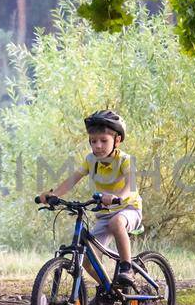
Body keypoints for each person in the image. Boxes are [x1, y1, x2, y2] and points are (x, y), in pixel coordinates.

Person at [35, 109, 141, 292]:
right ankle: (109, 290)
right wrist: (54, 194)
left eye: (103, 141)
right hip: (104, 215)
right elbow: (72, 179)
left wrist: (117, 198)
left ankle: (127, 268)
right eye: (93, 141)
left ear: (117, 140)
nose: (98, 146)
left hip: (129, 209)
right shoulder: (91, 160)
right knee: (87, 260)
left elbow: (130, 186)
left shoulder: (125, 160)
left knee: (117, 223)